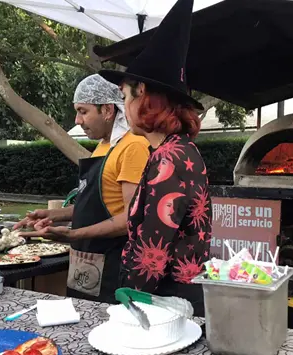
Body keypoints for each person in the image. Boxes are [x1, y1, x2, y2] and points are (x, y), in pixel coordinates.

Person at [98, 0, 211, 316]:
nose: (123, 107)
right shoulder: (182, 149)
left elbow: (152, 253)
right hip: (179, 298)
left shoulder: (168, 160)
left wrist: (129, 304)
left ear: (143, 94)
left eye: (124, 97)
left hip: (164, 305)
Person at [15, 74, 150, 304]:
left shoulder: (133, 146)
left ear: (107, 110)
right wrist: (52, 215)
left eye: (83, 111)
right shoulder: (104, 146)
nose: (77, 120)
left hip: (113, 263)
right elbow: (97, 204)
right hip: (86, 261)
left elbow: (130, 217)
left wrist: (73, 234)